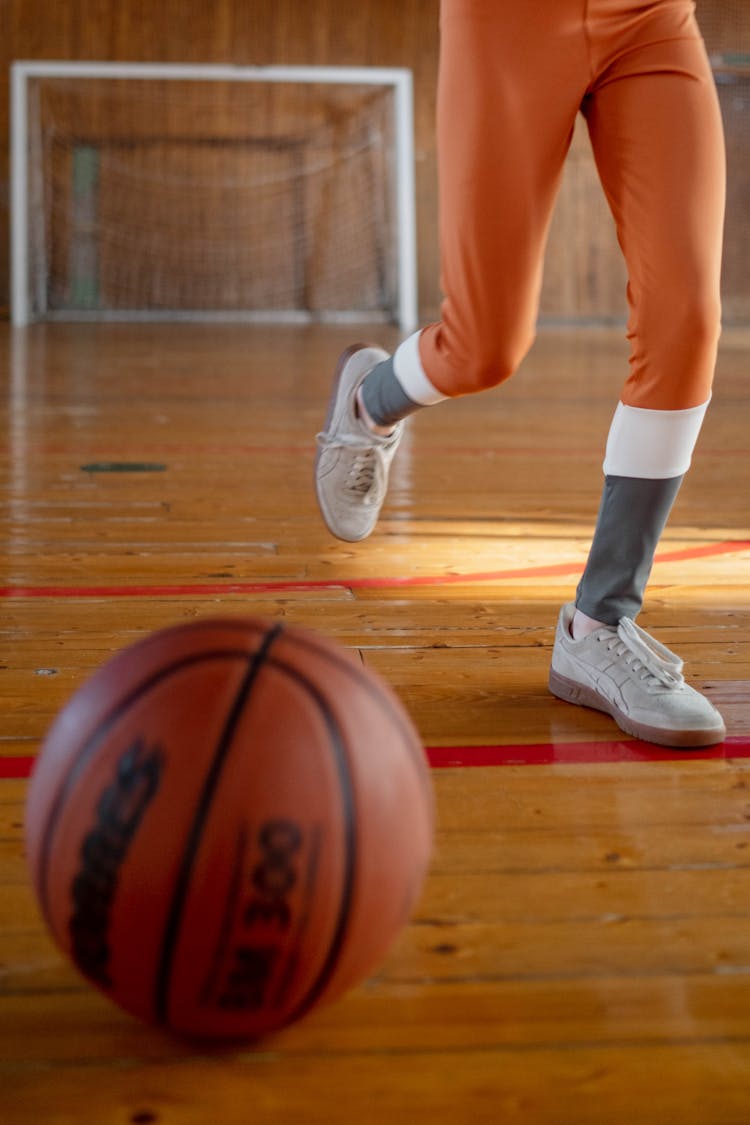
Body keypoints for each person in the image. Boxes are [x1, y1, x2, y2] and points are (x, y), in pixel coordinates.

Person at [315, 0, 727, 749]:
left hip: (650, 17)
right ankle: (369, 401)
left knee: (688, 318)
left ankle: (599, 622)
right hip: (509, 21)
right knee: (484, 347)